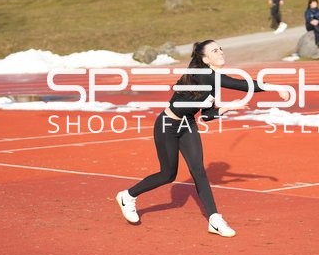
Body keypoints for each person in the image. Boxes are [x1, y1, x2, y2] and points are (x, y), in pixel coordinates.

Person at [115, 40, 291, 236]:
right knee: (167, 174)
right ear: (205, 59)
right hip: (167, 125)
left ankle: (214, 219)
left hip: (187, 124)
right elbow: (241, 84)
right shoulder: (205, 76)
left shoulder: (211, 80)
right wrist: (276, 86)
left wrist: (226, 108)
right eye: (215, 50)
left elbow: (207, 114)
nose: (221, 52)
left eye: (221, 48)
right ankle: (128, 196)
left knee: (199, 170)